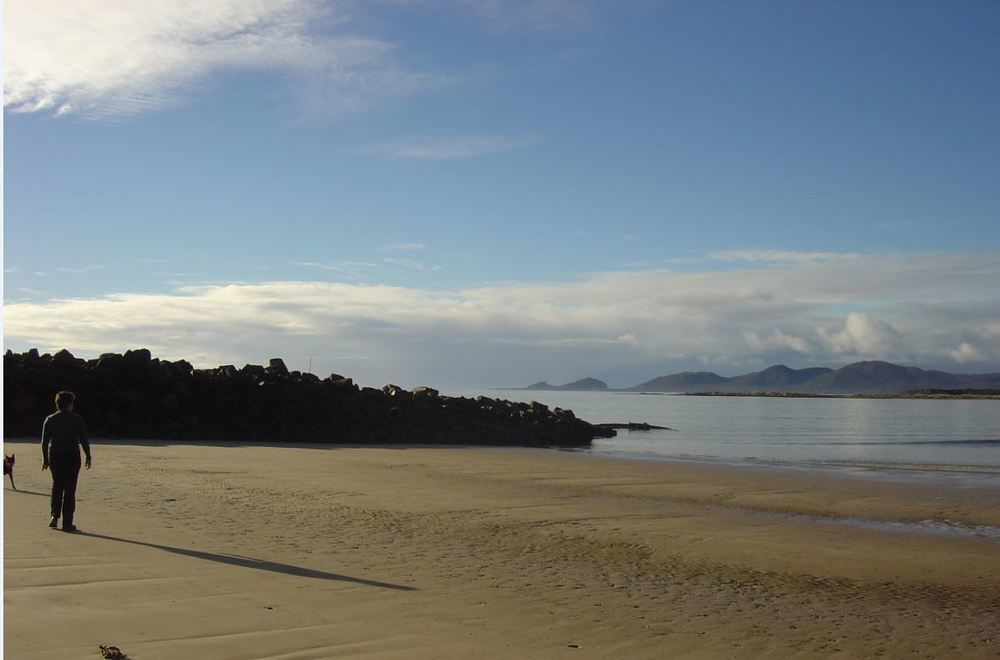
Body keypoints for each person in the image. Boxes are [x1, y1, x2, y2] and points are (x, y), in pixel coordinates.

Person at [42, 391, 91, 532]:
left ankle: (54, 517)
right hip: (72, 456)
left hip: (55, 456)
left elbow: (44, 442)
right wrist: (88, 455)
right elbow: (83, 439)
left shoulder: (50, 419)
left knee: (57, 486)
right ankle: (67, 523)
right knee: (70, 489)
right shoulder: (77, 419)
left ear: (57, 404)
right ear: (70, 404)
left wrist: (45, 459)